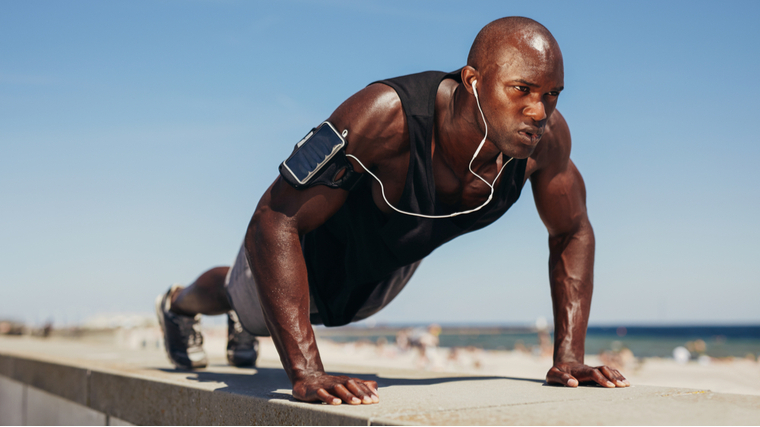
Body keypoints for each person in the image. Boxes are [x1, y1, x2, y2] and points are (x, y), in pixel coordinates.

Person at [155, 16, 630, 405]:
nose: (538, 111)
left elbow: (572, 231)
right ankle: (178, 305)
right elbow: (274, 218)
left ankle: (244, 316)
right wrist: (306, 372)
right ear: (473, 81)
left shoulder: (546, 144)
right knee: (244, 303)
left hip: (382, 275)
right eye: (521, 89)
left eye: (551, 95)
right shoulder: (384, 115)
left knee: (310, 310)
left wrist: (569, 357)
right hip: (302, 255)